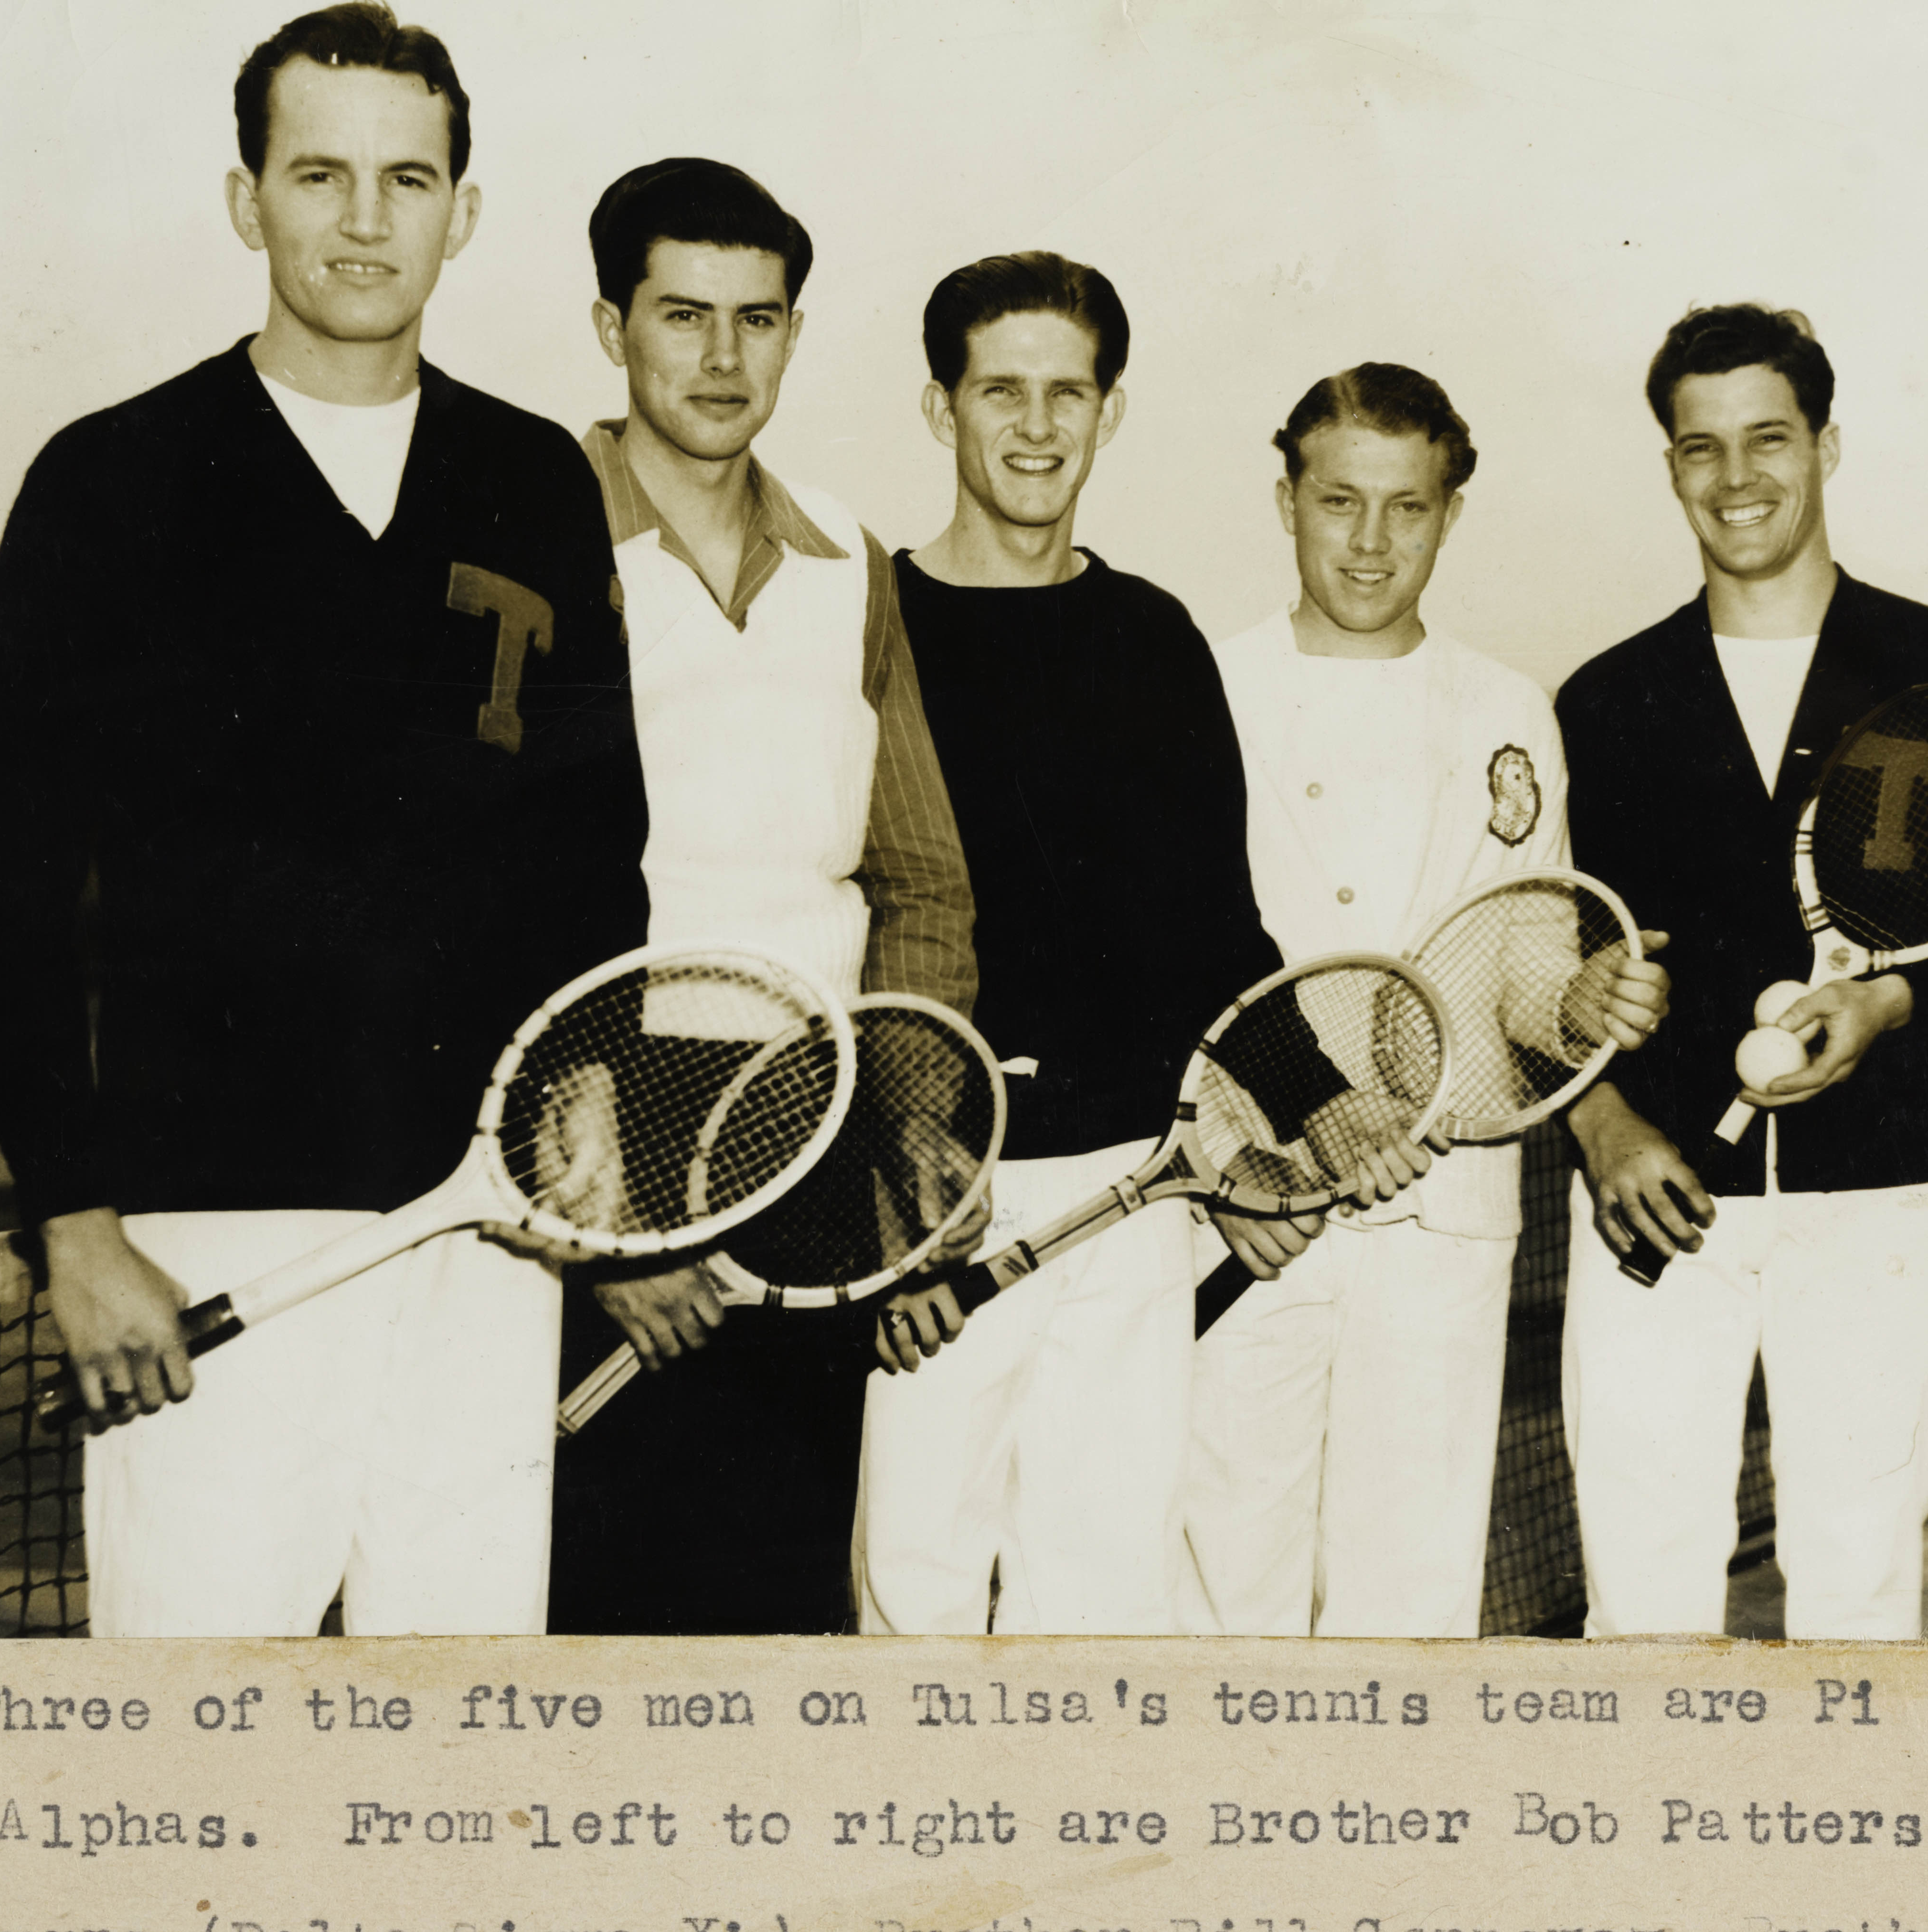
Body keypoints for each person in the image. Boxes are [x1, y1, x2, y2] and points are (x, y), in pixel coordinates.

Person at [0, 5, 650, 1636]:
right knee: (196, 1734)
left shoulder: (534, 477)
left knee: (464, 1729)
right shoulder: (110, 478)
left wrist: (590, 1076)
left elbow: (589, 839)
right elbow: (7, 884)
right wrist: (76, 1226)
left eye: (407, 179)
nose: (363, 219)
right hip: (207, 1235)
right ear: (244, 199)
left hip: (482, 1228)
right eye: (318, 173)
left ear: (462, 213)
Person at [1558, 302, 1928, 1639]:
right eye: (1701, 446)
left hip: (1878, 1196)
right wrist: (1602, 1122)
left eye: (1769, 437)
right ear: (1670, 466)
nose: (1736, 476)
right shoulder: (1606, 697)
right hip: (1655, 1196)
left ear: (1826, 446)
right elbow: (1550, 961)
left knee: (1856, 1594)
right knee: (1639, 1599)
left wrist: (1889, 1001)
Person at [549, 157, 978, 1636]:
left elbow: (920, 882)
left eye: (758, 318)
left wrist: (904, 1127)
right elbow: (477, 895)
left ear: (794, 332)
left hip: (811, 1130)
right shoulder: (529, 530)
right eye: (683, 314)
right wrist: (585, 1222)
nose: (723, 357)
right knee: (588, 1624)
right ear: (611, 328)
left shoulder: (850, 562)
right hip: (601, 1137)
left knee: (783, 1604)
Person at [855, 251, 1308, 1636]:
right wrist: (883, 1197)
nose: (1038, 426)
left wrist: (1308, 1121)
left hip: (1130, 1201)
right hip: (937, 1198)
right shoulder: (867, 627)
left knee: (1103, 1606)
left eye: (1069, 393)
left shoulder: (1155, 637)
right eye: (1002, 391)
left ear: (1110, 412)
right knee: (915, 1601)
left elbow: (1218, 932)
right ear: (940, 407)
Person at [1178, 365, 1669, 1640]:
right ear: (1285, 498)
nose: (1369, 541)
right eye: (1338, 500)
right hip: (1253, 1204)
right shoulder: (1201, 689)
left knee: (1412, 1605)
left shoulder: (1506, 710)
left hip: (1443, 1212)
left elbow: (1522, 962)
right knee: (1223, 1587)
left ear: (1451, 514)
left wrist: (1582, 1002)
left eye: (1407, 508)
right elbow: (1175, 963)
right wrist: (1221, 1167)